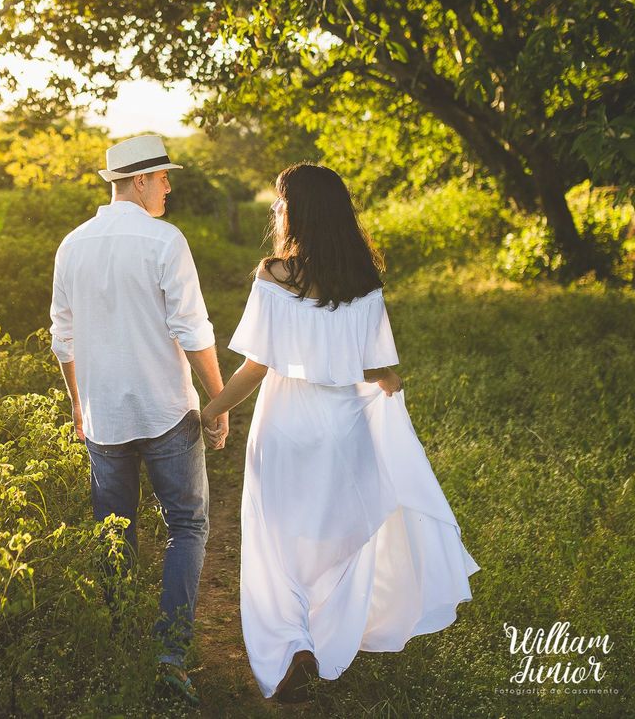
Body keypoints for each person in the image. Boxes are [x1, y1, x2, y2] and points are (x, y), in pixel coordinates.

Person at [201, 162, 481, 703]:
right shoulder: (364, 283)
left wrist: (211, 410)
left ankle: (292, 645)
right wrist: (389, 385)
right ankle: (326, 640)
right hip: (345, 428)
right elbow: (376, 369)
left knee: (276, 541)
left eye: (281, 203)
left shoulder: (274, 275)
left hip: (285, 423)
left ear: (296, 212)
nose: (276, 212)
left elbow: (256, 368)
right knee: (339, 542)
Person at [49, 133, 228, 707]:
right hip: (166, 411)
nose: (169, 187)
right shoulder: (164, 241)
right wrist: (218, 401)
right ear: (141, 180)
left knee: (114, 532)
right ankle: (169, 658)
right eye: (164, 178)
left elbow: (62, 337)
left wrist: (79, 404)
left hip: (103, 415)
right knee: (188, 526)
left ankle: (124, 644)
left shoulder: (72, 244)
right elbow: (192, 329)